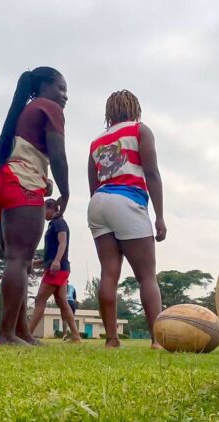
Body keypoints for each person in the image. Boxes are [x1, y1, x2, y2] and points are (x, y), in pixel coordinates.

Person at [0, 67, 70, 345]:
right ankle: (6, 334)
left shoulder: (23, 109)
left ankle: (20, 331)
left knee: (18, 262)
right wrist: (65, 193)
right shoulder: (48, 108)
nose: (64, 96)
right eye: (61, 88)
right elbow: (58, 155)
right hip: (20, 184)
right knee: (19, 260)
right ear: (44, 86)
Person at [87, 90, 167, 349]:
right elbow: (152, 174)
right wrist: (160, 216)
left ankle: (111, 340)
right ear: (135, 109)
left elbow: (93, 184)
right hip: (128, 197)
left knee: (109, 273)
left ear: (109, 113)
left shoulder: (96, 142)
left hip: (98, 202)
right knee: (146, 276)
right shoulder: (140, 130)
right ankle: (157, 341)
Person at [28, 199, 81, 342]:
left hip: (57, 269)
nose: (42, 214)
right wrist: (38, 262)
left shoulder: (59, 223)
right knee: (62, 302)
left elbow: (63, 242)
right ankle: (75, 336)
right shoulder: (54, 224)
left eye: (44, 210)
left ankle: (27, 334)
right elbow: (52, 250)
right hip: (60, 268)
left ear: (51, 208)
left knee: (40, 300)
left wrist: (57, 261)